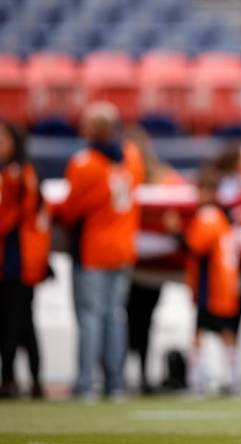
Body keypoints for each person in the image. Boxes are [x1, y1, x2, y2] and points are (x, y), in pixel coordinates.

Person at [52, 102, 144, 400]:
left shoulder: (84, 162)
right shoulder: (132, 157)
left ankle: (87, 381)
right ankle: (115, 382)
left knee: (91, 316)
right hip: (123, 247)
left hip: (93, 249)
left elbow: (70, 209)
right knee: (115, 315)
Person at [163, 167, 241, 394]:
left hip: (213, 285)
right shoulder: (222, 217)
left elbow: (194, 246)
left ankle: (197, 379)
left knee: (201, 331)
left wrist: (175, 230)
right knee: (224, 331)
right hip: (224, 285)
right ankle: (230, 377)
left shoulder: (209, 216)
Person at [124, 126, 184, 394]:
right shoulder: (124, 176)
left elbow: (182, 204)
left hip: (150, 267)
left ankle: (139, 373)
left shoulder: (164, 178)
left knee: (141, 320)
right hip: (128, 261)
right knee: (128, 321)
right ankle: (126, 373)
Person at [0, 121, 50, 399]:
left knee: (16, 322)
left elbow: (14, 218)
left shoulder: (20, 174)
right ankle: (28, 378)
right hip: (13, 259)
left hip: (19, 260)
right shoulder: (15, 173)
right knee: (20, 322)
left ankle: (14, 378)